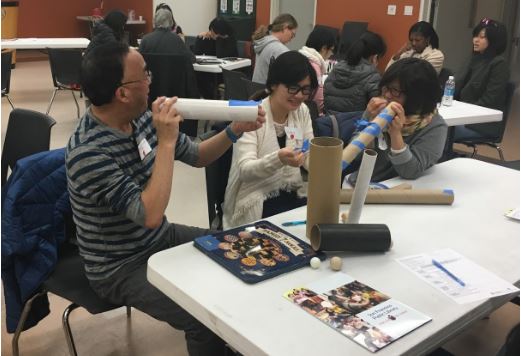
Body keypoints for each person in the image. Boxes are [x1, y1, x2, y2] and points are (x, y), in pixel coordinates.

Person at [65, 42, 265, 355]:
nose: (151, 81)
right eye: (144, 75)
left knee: (234, 249)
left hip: (159, 238)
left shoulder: (141, 117)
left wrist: (235, 130)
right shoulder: (87, 152)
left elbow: (198, 155)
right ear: (123, 92)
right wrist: (167, 143)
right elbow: (150, 213)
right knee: (201, 320)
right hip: (119, 267)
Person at [223, 51, 317, 228]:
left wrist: (323, 165)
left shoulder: (301, 111)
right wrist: (278, 159)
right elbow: (245, 170)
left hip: (292, 192)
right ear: (273, 84)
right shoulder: (251, 116)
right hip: (257, 201)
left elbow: (309, 153)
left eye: (305, 89)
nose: (299, 96)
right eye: (293, 88)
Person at [348, 57, 447, 184]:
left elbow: (410, 171)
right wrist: (371, 127)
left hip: (405, 190)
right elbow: (354, 157)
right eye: (386, 88)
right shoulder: (378, 110)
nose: (387, 95)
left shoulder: (435, 127)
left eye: (394, 91)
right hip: (365, 183)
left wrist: (395, 134)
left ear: (416, 97)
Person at [454, 18, 509, 140]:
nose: (476, 40)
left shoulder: (499, 64)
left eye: (482, 37)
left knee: (439, 129)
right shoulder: (474, 58)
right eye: (475, 36)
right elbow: (457, 87)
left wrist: (462, 112)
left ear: (494, 41)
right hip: (462, 115)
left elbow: (489, 101)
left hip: (482, 124)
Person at [324, 31, 386, 113]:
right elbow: (378, 110)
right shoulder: (373, 77)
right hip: (356, 125)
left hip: (329, 123)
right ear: (375, 57)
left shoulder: (336, 69)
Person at [298, 27, 337, 114]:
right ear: (324, 48)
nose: (332, 54)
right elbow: (318, 100)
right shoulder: (314, 67)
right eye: (331, 50)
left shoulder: (299, 57)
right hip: (305, 112)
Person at [251, 13, 298, 84]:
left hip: (256, 91)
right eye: (292, 35)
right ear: (285, 28)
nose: (291, 39)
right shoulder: (279, 49)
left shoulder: (263, 42)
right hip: (268, 93)